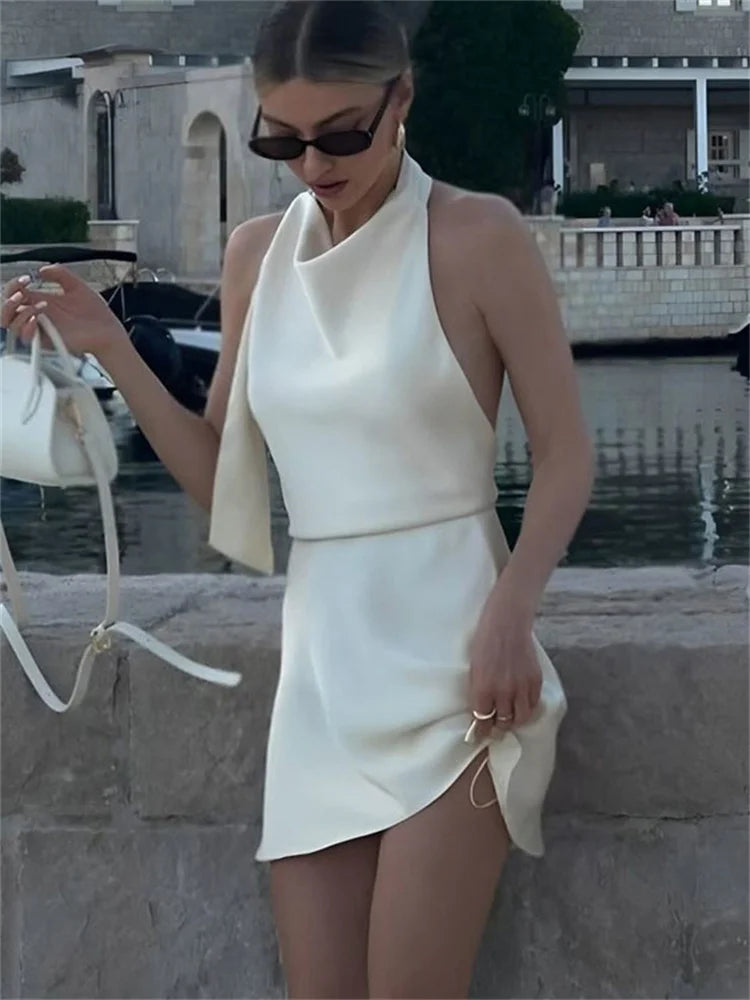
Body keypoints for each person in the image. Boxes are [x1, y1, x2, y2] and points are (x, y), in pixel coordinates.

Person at [1, 2, 593, 996]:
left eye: (341, 134)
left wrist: (511, 614)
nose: (312, 163)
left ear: (402, 99)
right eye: (283, 138)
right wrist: (108, 342)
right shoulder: (255, 255)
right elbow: (219, 472)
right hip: (320, 679)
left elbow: (568, 456)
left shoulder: (479, 236)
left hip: (460, 667)